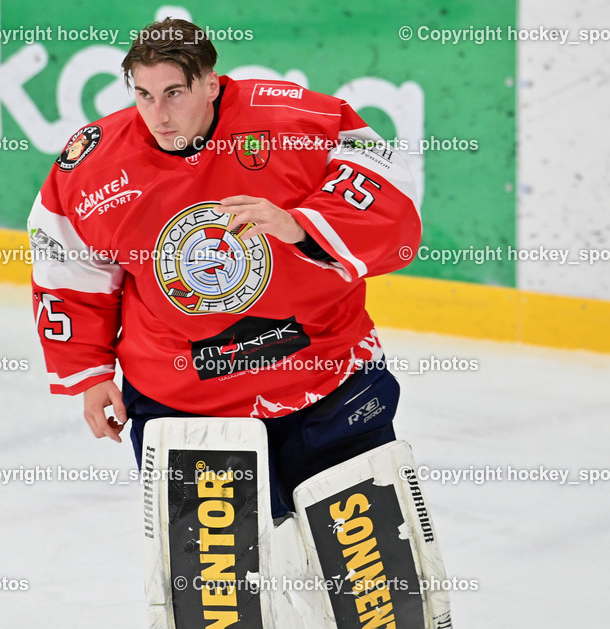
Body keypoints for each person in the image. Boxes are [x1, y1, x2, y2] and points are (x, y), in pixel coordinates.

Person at [28, 17, 422, 518]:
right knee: (222, 591)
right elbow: (67, 268)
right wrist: (89, 371)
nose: (158, 114)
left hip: (326, 378)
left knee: (370, 586)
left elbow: (394, 201)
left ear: (211, 83)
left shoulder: (295, 120)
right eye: (144, 95)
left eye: (174, 93)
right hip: (182, 401)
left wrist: (301, 225)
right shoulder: (93, 165)